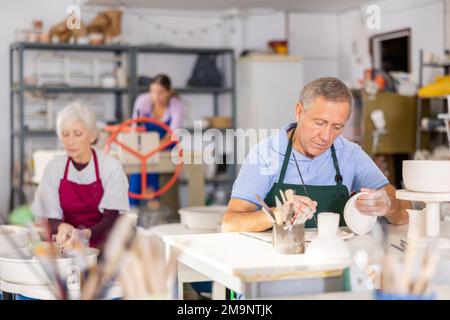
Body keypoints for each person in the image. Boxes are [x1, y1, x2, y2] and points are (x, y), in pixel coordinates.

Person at [222, 77, 409, 232]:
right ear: (299, 112)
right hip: (280, 260)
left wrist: (388, 206)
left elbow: (404, 214)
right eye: (319, 123)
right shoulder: (265, 154)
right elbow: (230, 223)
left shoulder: (350, 154)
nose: (326, 137)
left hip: (335, 260)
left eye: (337, 127)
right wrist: (279, 213)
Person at [32, 102, 130, 250]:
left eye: (77, 134)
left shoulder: (110, 166)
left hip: (106, 247)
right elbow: (49, 217)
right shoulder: (55, 168)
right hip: (67, 247)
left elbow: (112, 218)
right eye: (65, 135)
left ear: (92, 136)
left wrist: (85, 234)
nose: (70, 141)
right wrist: (60, 227)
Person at [129, 74, 185, 216]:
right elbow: (135, 129)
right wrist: (147, 149)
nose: (156, 96)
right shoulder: (142, 101)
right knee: (137, 172)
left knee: (153, 164)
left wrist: (153, 148)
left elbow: (173, 134)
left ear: (169, 92)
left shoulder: (176, 105)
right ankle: (132, 210)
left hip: (167, 148)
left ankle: (155, 202)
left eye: (161, 92)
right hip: (144, 149)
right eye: (153, 92)